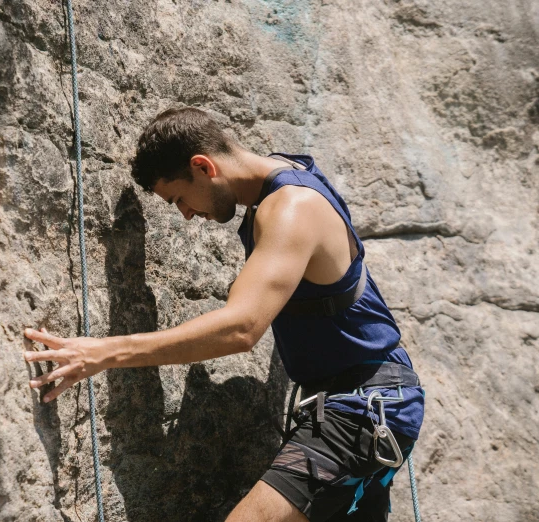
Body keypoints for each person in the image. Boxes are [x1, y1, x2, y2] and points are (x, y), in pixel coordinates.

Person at [23, 107, 425, 521]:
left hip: (363, 407)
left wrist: (103, 353)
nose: (185, 213)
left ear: (203, 166)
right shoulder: (289, 176)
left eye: (179, 197)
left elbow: (242, 328)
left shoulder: (290, 208)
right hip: (368, 401)